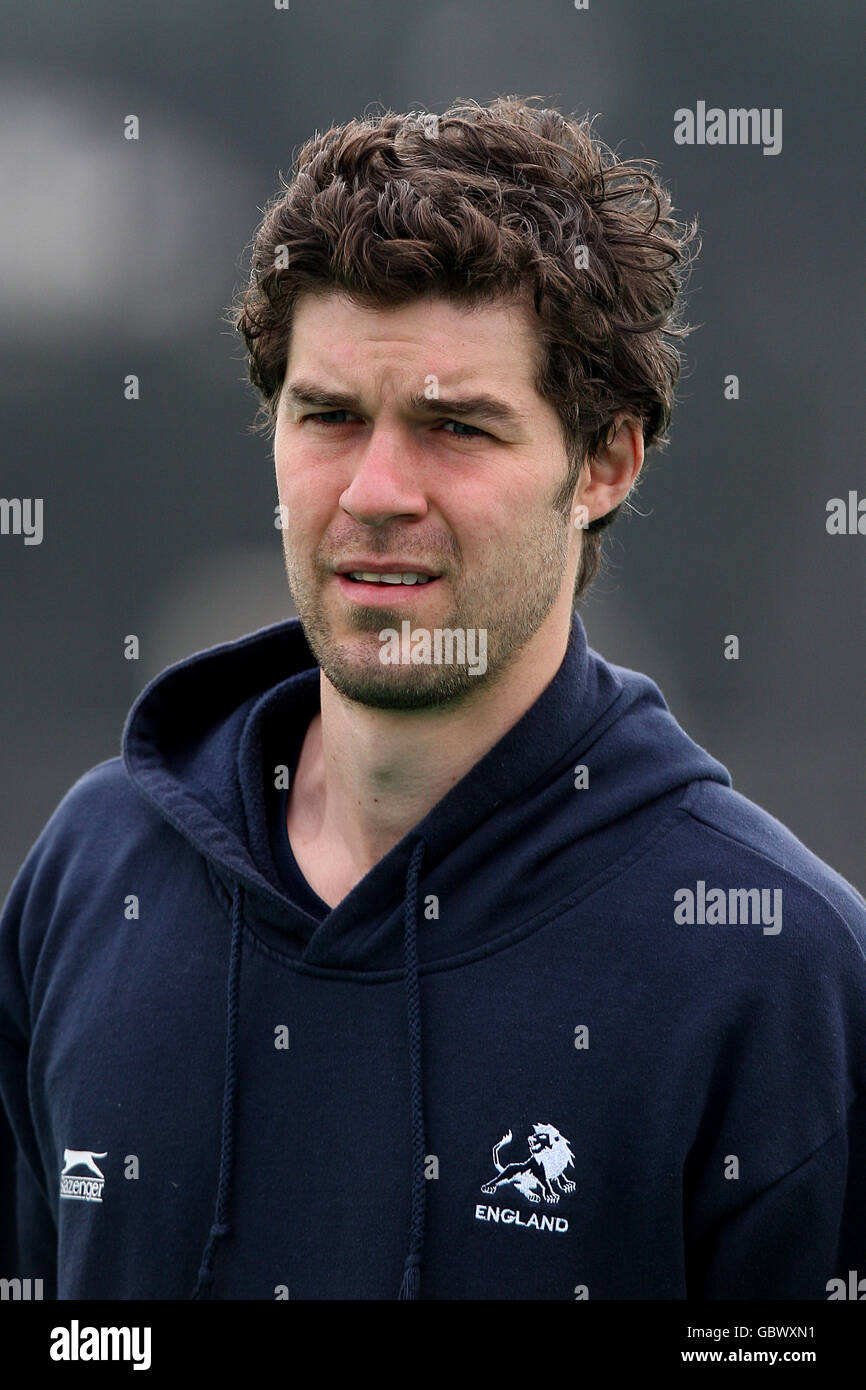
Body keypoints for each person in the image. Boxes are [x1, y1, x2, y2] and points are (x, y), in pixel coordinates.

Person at [1, 96, 863, 1302]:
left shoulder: (774, 968)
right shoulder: (97, 871)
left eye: (455, 426)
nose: (376, 489)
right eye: (329, 416)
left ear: (602, 463)